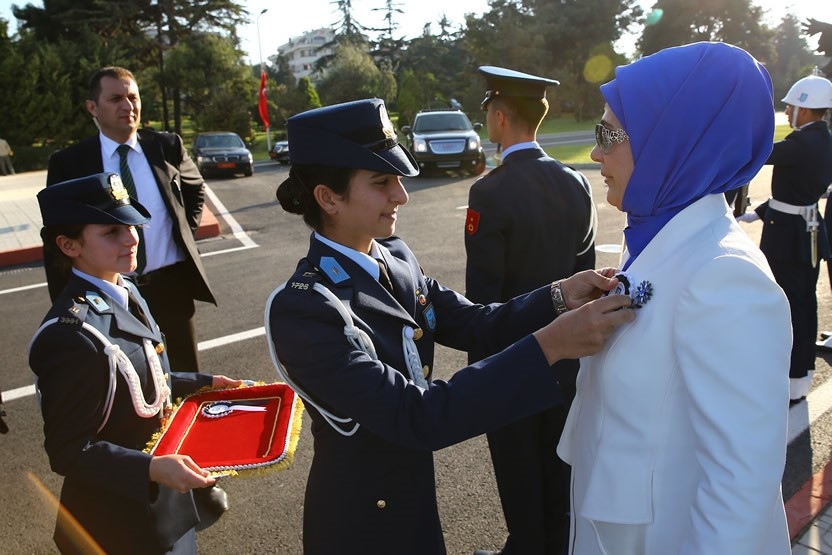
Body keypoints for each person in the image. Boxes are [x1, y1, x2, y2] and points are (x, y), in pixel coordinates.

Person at [265, 98, 636, 555]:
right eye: (381, 183)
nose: (400, 196)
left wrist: (557, 296)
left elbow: (474, 323)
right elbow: (416, 415)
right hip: (361, 525)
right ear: (328, 198)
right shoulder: (306, 308)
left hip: (415, 506)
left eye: (397, 179)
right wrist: (550, 346)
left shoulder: (395, 257)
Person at [556, 41, 793, 555]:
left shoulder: (725, 275)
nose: (596, 153)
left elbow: (740, 489)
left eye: (609, 133)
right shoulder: (657, 240)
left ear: (673, 138)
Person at [28, 172, 241, 554]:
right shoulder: (72, 334)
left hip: (165, 508)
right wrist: (150, 469)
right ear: (69, 244)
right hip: (116, 525)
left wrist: (204, 382)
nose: (131, 238)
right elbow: (68, 451)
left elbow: (146, 379)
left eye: (131, 224)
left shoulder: (123, 289)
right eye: (111, 231)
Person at [465, 66, 596, 555]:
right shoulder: (575, 181)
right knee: (560, 472)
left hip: (513, 359)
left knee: (520, 477)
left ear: (500, 118)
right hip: (570, 358)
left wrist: (481, 377)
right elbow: (585, 274)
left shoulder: (490, 191)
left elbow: (483, 298)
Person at [45, 66, 215, 374]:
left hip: (172, 286)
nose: (128, 106)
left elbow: (195, 187)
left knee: (186, 378)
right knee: (128, 380)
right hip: (109, 294)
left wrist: (184, 232)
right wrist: (65, 303)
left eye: (133, 97)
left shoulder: (166, 146)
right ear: (92, 107)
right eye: (116, 98)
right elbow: (58, 236)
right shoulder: (69, 163)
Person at [738, 69, 832, 403]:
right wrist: (758, 212)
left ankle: (788, 374)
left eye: (792, 108)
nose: (789, 113)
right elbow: (793, 193)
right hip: (804, 229)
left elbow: (761, 153)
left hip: (788, 238)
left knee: (787, 306)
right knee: (804, 303)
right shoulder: (822, 139)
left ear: (806, 110)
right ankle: (800, 374)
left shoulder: (803, 141)